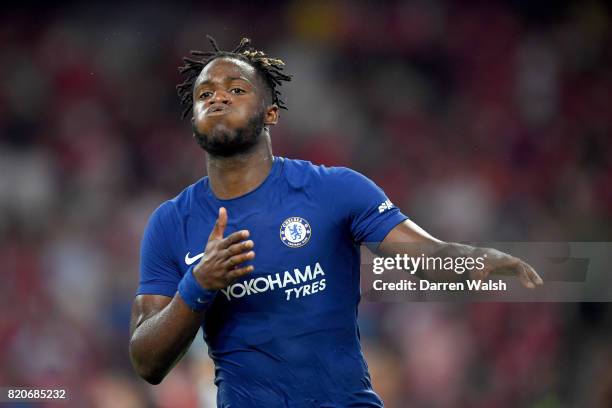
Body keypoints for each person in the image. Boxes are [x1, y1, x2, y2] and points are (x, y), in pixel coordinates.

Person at [129, 36, 543, 407]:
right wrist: (198, 284)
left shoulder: (335, 191)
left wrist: (479, 261)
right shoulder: (170, 223)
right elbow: (147, 361)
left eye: (236, 89)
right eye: (205, 94)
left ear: (271, 112)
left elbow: (423, 256)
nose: (217, 98)